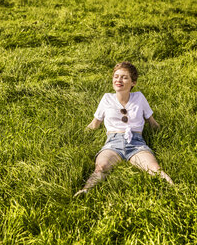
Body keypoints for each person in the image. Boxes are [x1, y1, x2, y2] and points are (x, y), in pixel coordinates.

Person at [74, 61, 174, 197]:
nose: (118, 80)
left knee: (154, 168)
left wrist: (169, 133)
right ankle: (85, 191)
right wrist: (77, 136)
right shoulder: (106, 99)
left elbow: (152, 123)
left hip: (137, 143)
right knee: (101, 167)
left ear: (133, 82)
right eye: (116, 76)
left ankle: (174, 189)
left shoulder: (139, 97)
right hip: (112, 143)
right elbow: (94, 124)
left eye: (124, 77)